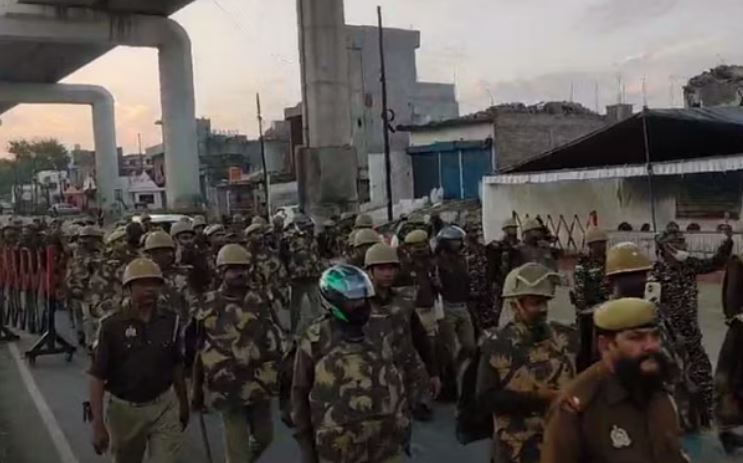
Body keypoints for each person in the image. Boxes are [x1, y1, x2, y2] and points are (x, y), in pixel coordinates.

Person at [540, 298, 689, 463]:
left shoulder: (658, 387)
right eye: (636, 338)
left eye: (655, 336)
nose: (651, 346)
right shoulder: (578, 406)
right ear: (605, 345)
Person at [291, 264, 410, 463]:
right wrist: (306, 447)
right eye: (352, 300)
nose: (360, 304)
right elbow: (299, 394)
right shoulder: (315, 338)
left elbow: (400, 375)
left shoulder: (382, 328)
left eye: (362, 298)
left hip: (386, 440)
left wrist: (404, 423)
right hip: (340, 447)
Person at [88, 258, 189, 463]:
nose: (150, 289)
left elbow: (177, 364)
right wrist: (98, 424)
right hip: (125, 412)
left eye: (154, 284)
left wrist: (184, 403)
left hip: (164, 407)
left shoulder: (171, 321)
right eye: (142, 284)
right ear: (128, 288)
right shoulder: (111, 325)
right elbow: (97, 377)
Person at [191, 244, 285, 463]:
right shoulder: (206, 304)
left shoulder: (260, 300)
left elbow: (275, 338)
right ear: (221, 271)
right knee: (237, 449)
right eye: (233, 269)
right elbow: (197, 350)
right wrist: (196, 390)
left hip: (260, 383)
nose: (240, 273)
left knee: (264, 437)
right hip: (226, 387)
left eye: (243, 268)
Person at [476, 263, 576, 463]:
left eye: (545, 302)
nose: (543, 309)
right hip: (514, 450)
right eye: (535, 303)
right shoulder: (496, 344)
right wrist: (538, 397)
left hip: (558, 446)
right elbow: (485, 399)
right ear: (515, 305)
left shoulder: (564, 338)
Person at [652, 226, 733, 426]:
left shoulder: (689, 265)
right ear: (666, 247)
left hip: (692, 336)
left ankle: (707, 418)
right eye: (678, 242)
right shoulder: (656, 274)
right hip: (672, 340)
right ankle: (676, 421)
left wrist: (727, 242)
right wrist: (670, 335)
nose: (683, 245)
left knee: (703, 376)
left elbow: (716, 263)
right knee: (675, 381)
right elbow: (655, 309)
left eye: (683, 241)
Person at [365, 243, 438, 421]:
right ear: (370, 271)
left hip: (406, 374)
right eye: (381, 269)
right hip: (372, 379)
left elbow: (419, 337)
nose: (387, 273)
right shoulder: (360, 304)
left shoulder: (403, 301)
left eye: (391, 268)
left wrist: (433, 372)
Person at [435, 225, 476, 398]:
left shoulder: (462, 260)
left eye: (459, 241)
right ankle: (449, 385)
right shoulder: (437, 263)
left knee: (470, 346)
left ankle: (462, 375)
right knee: (448, 350)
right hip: (446, 307)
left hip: (462, 306)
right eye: (454, 242)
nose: (458, 245)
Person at [717, 255, 743, 454]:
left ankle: (729, 431)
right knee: (731, 381)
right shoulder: (738, 263)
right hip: (740, 328)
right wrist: (734, 315)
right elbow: (731, 294)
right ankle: (728, 431)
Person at [281, 213, 322, 335]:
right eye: (306, 225)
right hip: (297, 277)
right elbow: (284, 257)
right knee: (295, 307)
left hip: (312, 276)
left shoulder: (312, 238)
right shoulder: (289, 239)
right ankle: (294, 331)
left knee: (316, 305)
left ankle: (318, 330)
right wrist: (287, 274)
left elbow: (316, 254)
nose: (309, 227)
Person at [67, 225, 104, 348]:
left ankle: (87, 338)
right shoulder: (80, 254)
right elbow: (80, 273)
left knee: (87, 316)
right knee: (88, 317)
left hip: (92, 289)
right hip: (84, 289)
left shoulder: (96, 252)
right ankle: (89, 342)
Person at [142, 231, 193, 319]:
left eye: (168, 251)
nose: (169, 255)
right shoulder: (144, 278)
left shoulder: (184, 276)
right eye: (153, 253)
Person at [465, 220, 498, 332]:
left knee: (488, 319)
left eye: (477, 231)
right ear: (467, 233)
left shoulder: (481, 248)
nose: (476, 234)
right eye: (473, 231)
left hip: (484, 288)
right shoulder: (463, 250)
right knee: (474, 321)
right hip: (471, 291)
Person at [570, 227, 609, 314]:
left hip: (609, 306)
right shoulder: (583, 265)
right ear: (591, 245)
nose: (603, 246)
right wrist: (583, 310)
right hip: (591, 308)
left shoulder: (610, 261)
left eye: (604, 243)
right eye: (599, 243)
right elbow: (579, 290)